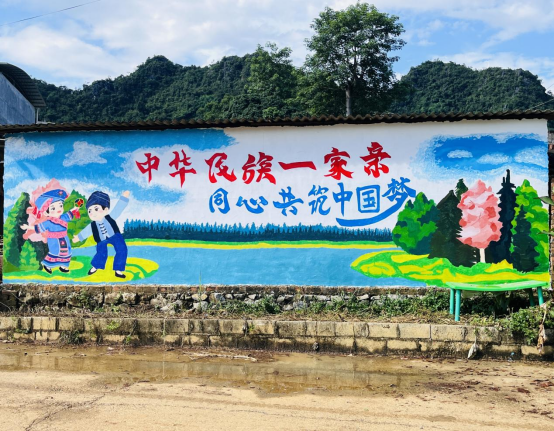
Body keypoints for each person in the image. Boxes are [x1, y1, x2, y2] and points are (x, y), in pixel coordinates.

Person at [20, 189, 80, 274]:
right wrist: (27, 227)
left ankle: (63, 266)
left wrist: (76, 207)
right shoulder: (48, 222)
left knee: (67, 251)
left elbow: (71, 213)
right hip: (53, 240)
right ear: (47, 212)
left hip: (64, 238)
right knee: (55, 252)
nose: (58, 209)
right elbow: (38, 227)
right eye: (53, 208)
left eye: (60, 205)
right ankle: (48, 265)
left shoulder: (63, 217)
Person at [73, 191, 130, 278]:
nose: (92, 213)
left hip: (114, 235)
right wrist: (78, 237)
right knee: (101, 252)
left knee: (122, 249)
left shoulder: (110, 217)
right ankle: (96, 266)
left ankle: (118, 269)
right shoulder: (92, 225)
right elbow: (86, 231)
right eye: (89, 211)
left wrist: (124, 198)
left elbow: (118, 208)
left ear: (105, 209)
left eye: (96, 209)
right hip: (101, 239)